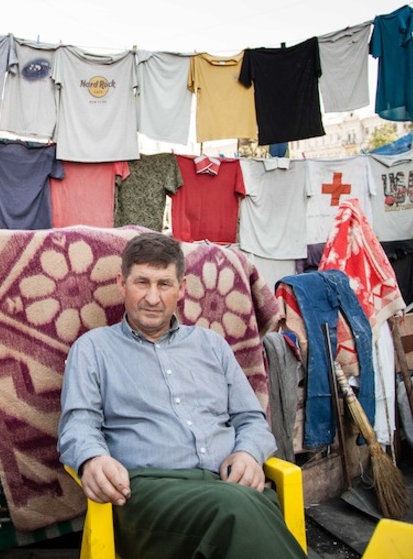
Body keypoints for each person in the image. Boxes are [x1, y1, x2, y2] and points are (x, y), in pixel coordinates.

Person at [57, 232, 306, 558]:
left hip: (227, 487)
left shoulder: (211, 345)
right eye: (141, 282)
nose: (152, 297)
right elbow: (78, 424)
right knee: (239, 511)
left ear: (182, 288)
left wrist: (247, 453)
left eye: (164, 284)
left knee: (247, 506)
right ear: (121, 284)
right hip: (151, 495)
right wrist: (92, 459)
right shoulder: (93, 349)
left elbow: (250, 418)